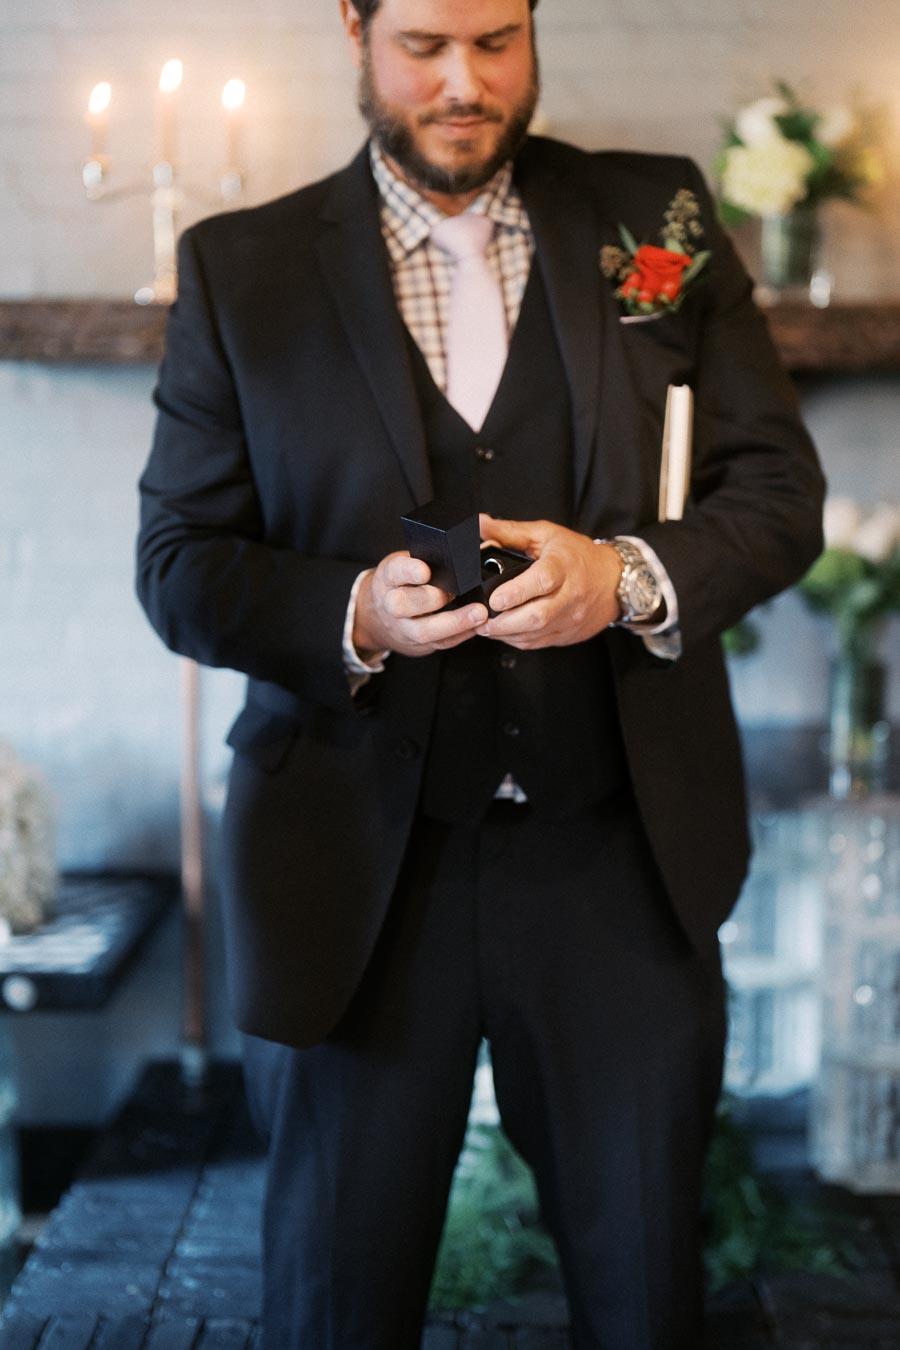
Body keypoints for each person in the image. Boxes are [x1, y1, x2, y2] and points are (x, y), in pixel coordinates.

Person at [136, 1, 825, 1345]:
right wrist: (353, 612)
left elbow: (778, 492)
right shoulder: (241, 268)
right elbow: (179, 563)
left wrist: (625, 575)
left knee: (646, 1299)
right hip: (350, 868)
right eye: (426, 46)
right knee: (338, 1306)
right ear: (354, 27)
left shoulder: (658, 218)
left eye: (498, 40)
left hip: (619, 854)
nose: (466, 82)